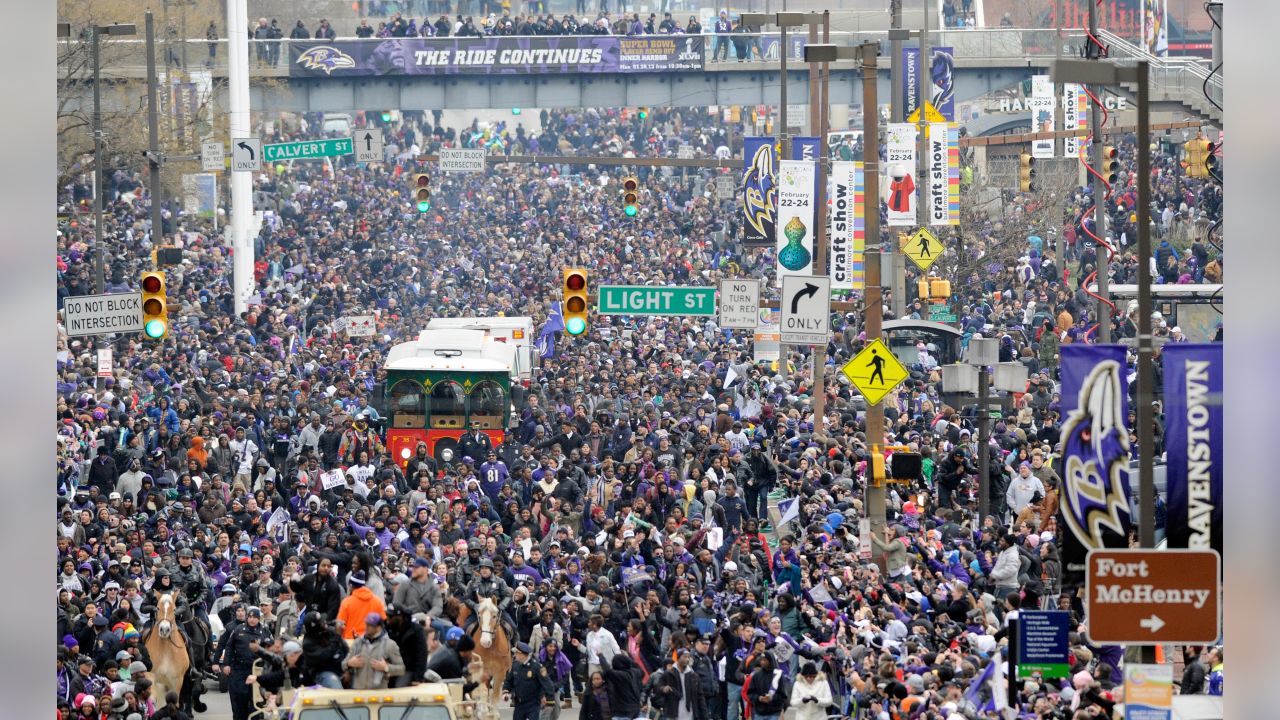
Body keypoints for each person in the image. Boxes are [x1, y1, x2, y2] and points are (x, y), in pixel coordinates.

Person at [216, 606, 272, 720]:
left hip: (257, 670)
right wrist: (226, 664)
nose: (251, 620)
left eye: (254, 617)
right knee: (239, 698)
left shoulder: (265, 631)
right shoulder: (239, 629)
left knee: (256, 700)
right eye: (250, 617)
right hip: (239, 669)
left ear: (259, 618)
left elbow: (271, 649)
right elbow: (229, 647)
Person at [344, 612, 405, 689]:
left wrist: (386, 668)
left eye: (370, 625)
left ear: (378, 627)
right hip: (358, 692)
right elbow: (343, 664)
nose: (367, 627)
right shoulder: (358, 643)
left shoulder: (390, 644)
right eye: (366, 624)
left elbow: (401, 669)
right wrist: (349, 663)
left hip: (379, 693)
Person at [503, 642, 555, 720]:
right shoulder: (515, 665)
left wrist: (549, 701)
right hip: (519, 704)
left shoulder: (537, 667)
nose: (514, 655)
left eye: (516, 653)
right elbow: (509, 681)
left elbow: (548, 685)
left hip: (533, 704)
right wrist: (506, 692)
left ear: (522, 654)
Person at [336, 571, 386, 639]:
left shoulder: (346, 602)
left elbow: (340, 625)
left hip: (350, 642)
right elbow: (383, 621)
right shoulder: (377, 601)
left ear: (351, 586)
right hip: (371, 642)